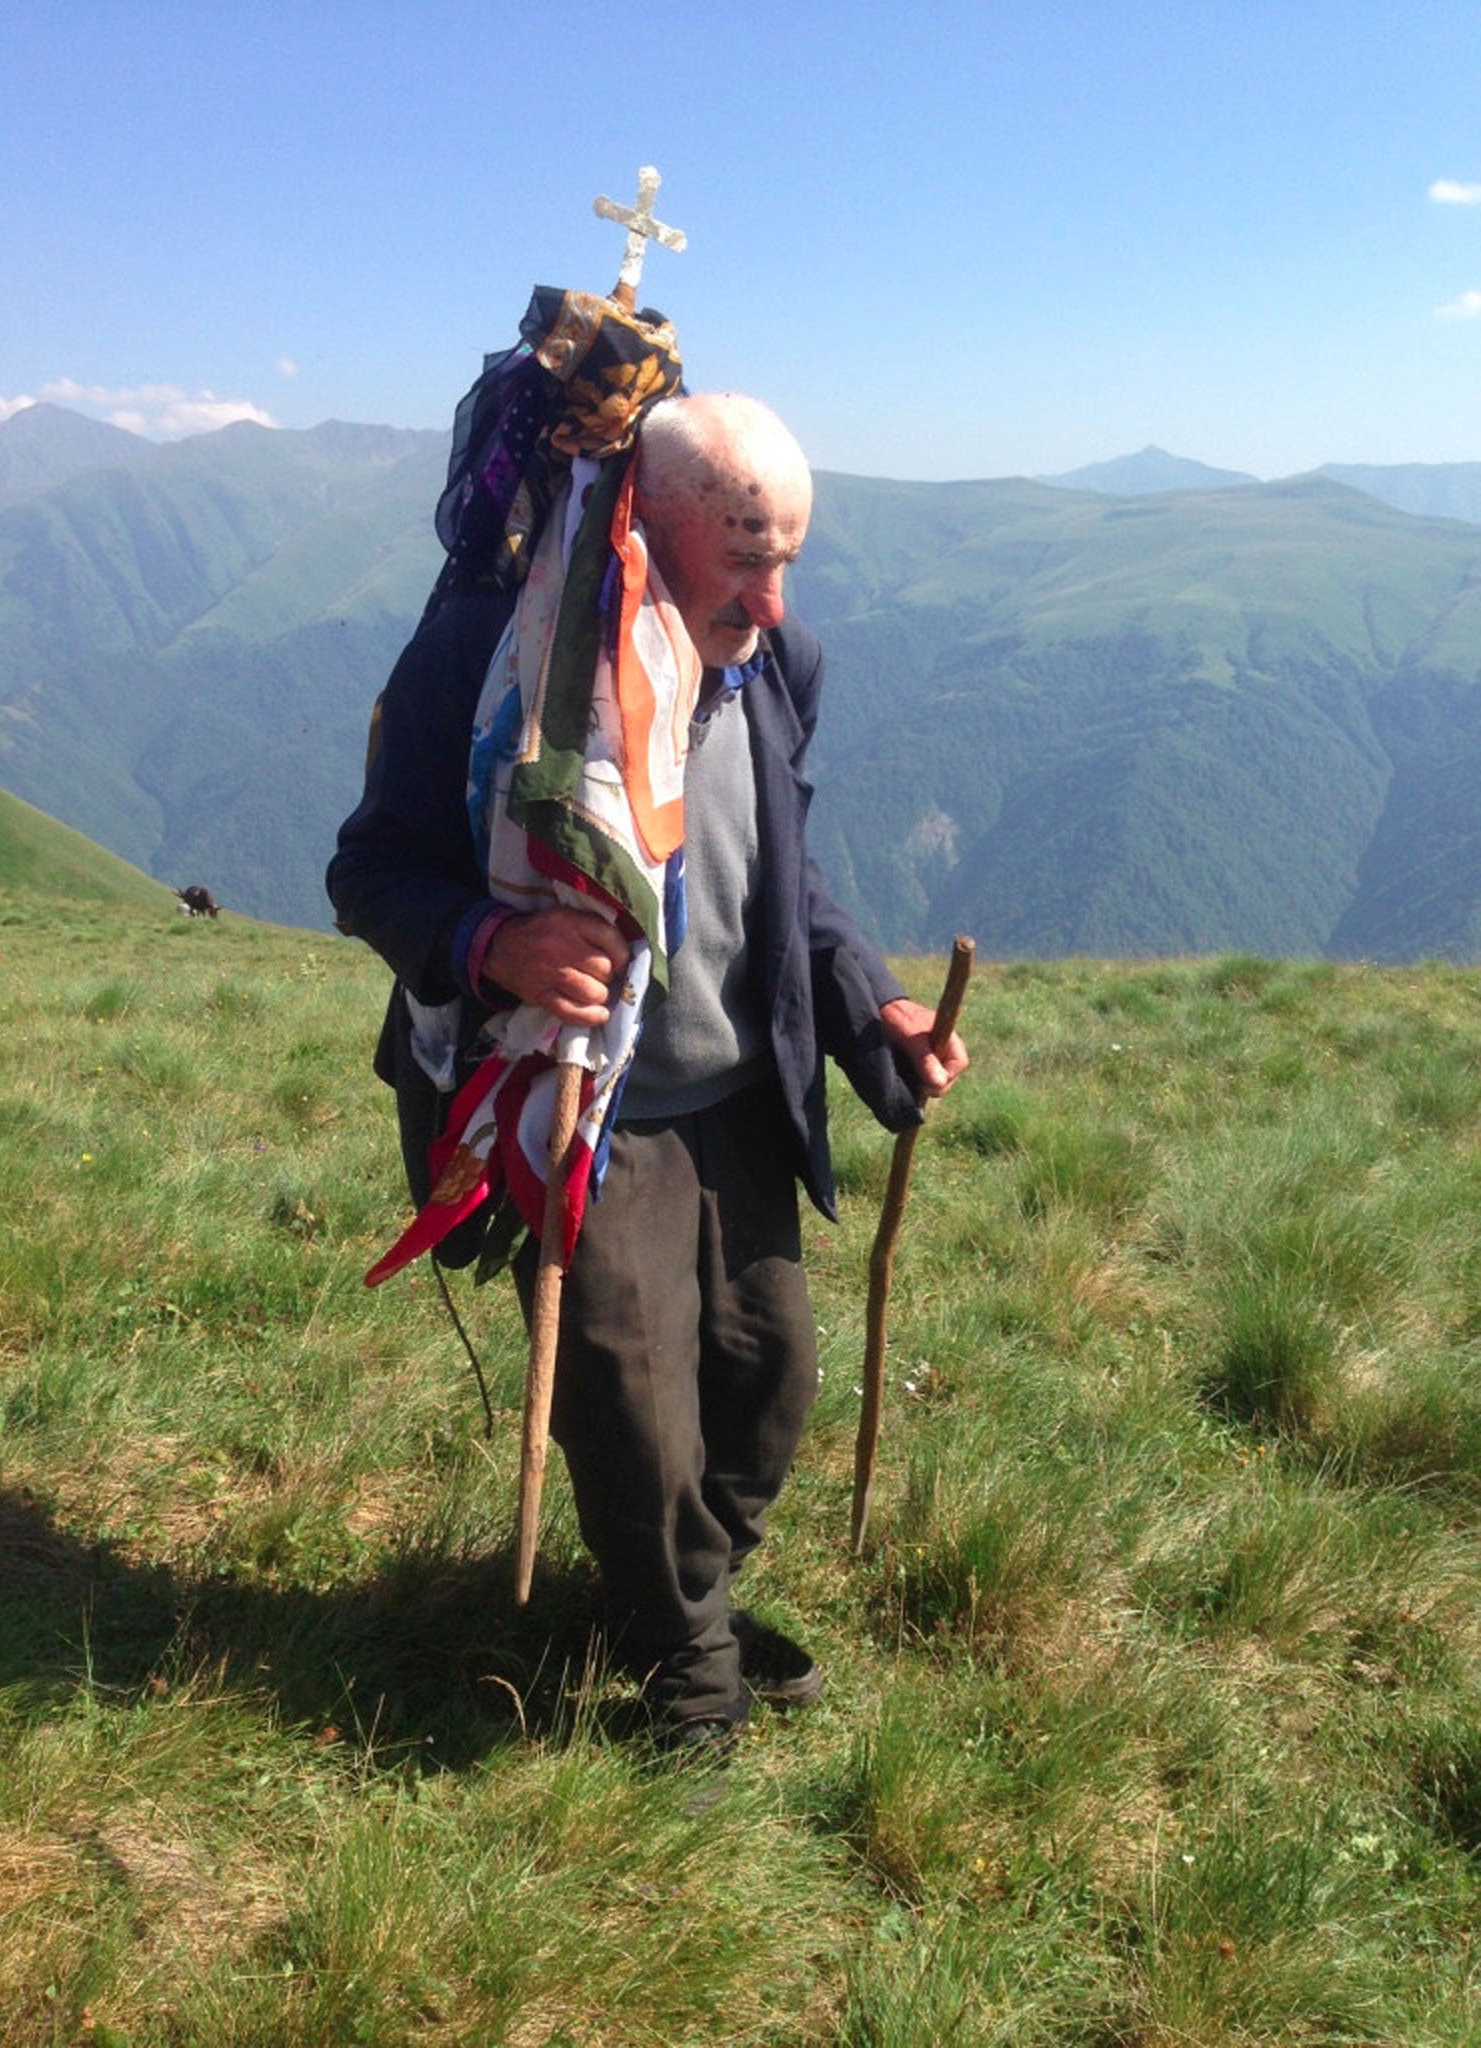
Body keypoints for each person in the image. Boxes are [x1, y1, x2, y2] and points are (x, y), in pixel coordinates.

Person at [328, 388, 966, 1752]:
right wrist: (491, 942)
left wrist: (882, 1014)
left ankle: (683, 1593)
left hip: (733, 1089)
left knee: (766, 1378)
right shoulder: (495, 654)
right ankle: (689, 1673)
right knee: (627, 1404)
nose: (775, 598)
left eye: (787, 556)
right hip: (579, 1098)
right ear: (649, 522)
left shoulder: (769, 669)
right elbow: (367, 866)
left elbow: (786, 885)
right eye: (748, 555)